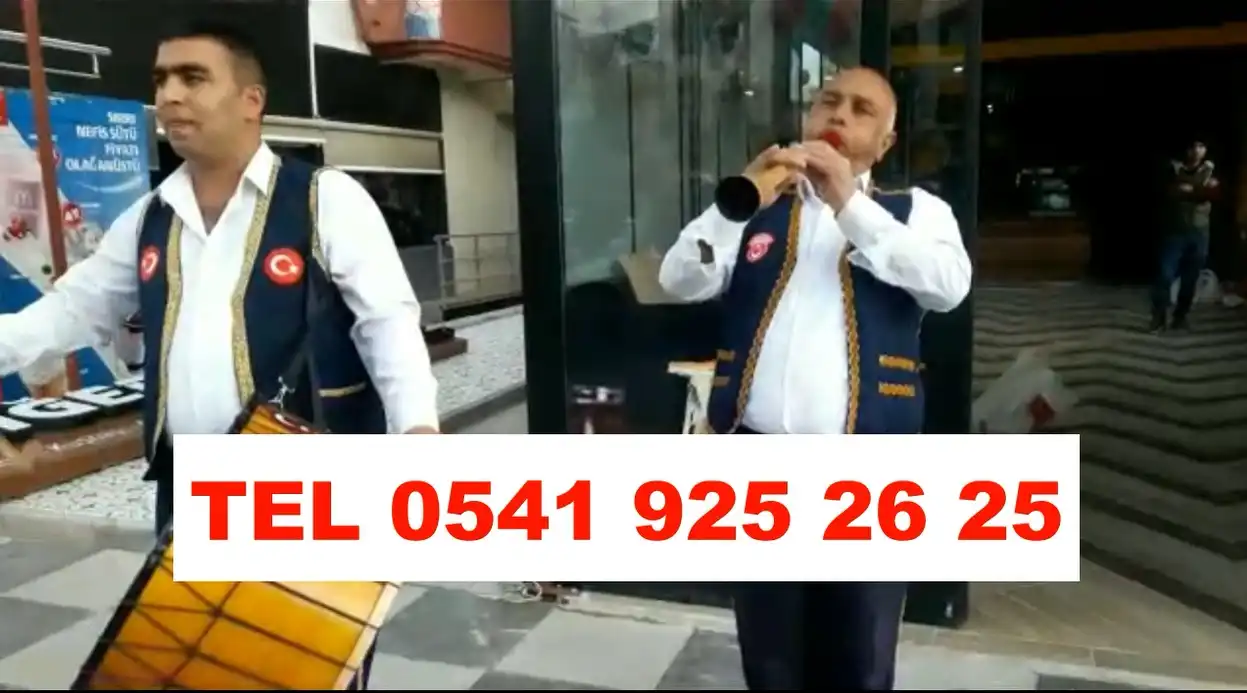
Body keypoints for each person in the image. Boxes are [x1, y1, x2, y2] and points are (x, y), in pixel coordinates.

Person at [0, 21, 440, 687]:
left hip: (305, 486)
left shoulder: (324, 198)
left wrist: (417, 432)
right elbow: (71, 309)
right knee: (192, 668)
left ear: (250, 100)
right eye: (161, 80)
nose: (169, 95)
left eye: (193, 77)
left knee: (303, 665)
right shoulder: (150, 215)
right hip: (189, 490)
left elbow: (389, 322)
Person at [658, 67, 971, 690]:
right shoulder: (758, 208)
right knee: (770, 657)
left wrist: (850, 205)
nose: (839, 114)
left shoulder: (915, 211)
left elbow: (948, 287)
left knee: (859, 658)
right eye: (829, 101)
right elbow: (678, 278)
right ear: (807, 115)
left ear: (884, 142)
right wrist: (733, 206)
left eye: (861, 109)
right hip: (760, 466)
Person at [1151, 138, 1220, 333]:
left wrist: (1192, 191)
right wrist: (1199, 191)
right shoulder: (1173, 169)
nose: (1197, 151)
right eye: (1193, 147)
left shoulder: (1210, 170)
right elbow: (1171, 192)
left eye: (1201, 147)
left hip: (1199, 232)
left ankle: (1180, 316)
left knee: (1190, 279)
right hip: (1174, 231)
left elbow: (1213, 194)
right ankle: (1159, 316)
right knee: (1164, 275)